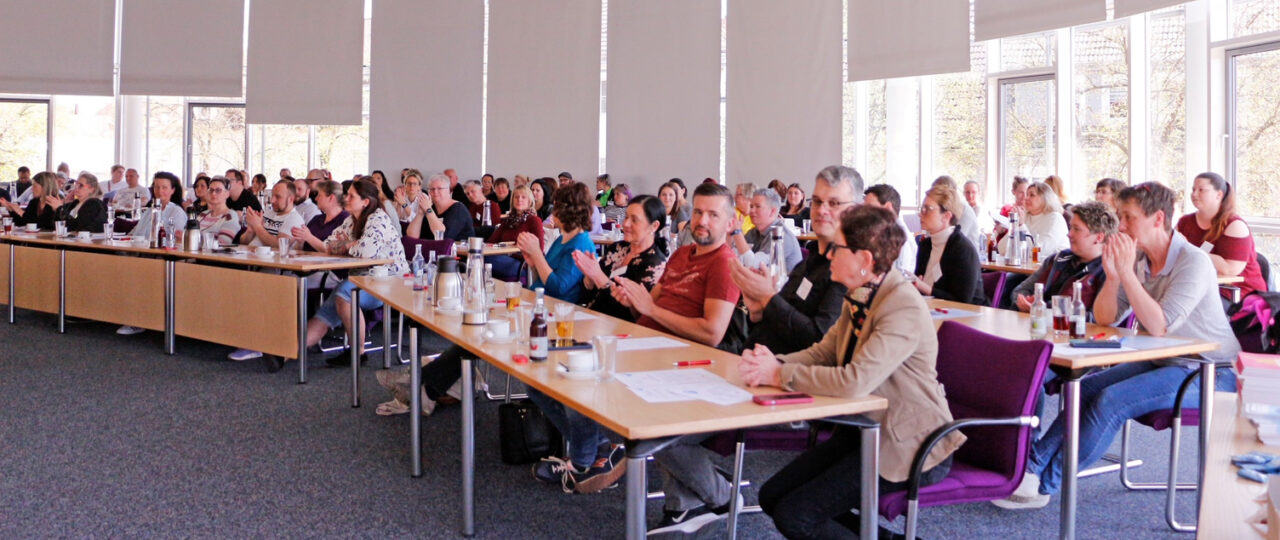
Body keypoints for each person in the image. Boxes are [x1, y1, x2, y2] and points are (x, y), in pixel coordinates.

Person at [996, 182, 1240, 510]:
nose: (1121, 226)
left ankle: (1045, 483)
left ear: (1157, 219)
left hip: (1210, 369)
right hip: (1165, 359)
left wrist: (1126, 273)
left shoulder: (1192, 261)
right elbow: (1106, 317)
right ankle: (1031, 469)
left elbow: (1159, 325)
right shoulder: (1138, 257)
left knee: (1110, 401)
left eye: (1128, 217)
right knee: (1083, 389)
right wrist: (1113, 279)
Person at [741, 204, 965, 539]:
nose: (829, 255)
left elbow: (854, 381)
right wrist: (776, 363)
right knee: (772, 497)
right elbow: (826, 352)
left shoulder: (900, 305)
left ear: (864, 259)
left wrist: (777, 375)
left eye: (838, 248)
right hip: (865, 429)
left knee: (796, 516)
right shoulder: (861, 293)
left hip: (909, 443)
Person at [732, 166, 855, 356]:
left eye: (834, 203)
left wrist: (768, 299)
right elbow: (780, 316)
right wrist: (758, 310)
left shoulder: (848, 272)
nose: (822, 210)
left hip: (789, 373)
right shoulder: (806, 265)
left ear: (853, 211)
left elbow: (818, 339)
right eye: (817, 201)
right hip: (752, 360)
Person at [289, 178, 409, 373]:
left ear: (365, 202)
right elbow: (329, 245)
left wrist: (346, 246)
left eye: (351, 195)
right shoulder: (350, 220)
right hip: (361, 279)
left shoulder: (378, 219)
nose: (345, 198)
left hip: (389, 282)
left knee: (345, 292)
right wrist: (350, 245)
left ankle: (359, 352)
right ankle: (286, 353)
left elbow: (367, 251)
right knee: (326, 312)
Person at [612, 182, 741, 348]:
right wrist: (634, 303)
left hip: (673, 354)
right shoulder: (681, 253)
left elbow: (712, 334)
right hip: (642, 339)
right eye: (698, 212)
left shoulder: (724, 263)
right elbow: (647, 310)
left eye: (713, 215)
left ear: (730, 224)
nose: (702, 221)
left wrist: (651, 309)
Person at [572, 195, 669, 321]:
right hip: (591, 320)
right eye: (626, 217)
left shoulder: (654, 265)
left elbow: (634, 316)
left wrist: (598, 277)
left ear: (654, 226)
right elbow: (588, 297)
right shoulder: (617, 248)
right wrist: (589, 279)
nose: (626, 224)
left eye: (634, 220)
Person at [1011, 201, 1117, 313]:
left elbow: (1097, 319)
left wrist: (1044, 310)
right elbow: (1020, 290)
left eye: (1076, 229)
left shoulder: (1109, 272)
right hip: (1033, 324)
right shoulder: (1058, 259)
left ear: (1099, 237)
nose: (1069, 234)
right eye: (1070, 227)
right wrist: (1023, 301)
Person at [1176, 172, 1266, 301]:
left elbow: (1230, 270)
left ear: (1219, 195)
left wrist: (1188, 249)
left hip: (1238, 295)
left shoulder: (1234, 225)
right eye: (1193, 189)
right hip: (1197, 288)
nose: (1194, 194)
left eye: (1201, 190)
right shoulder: (1185, 222)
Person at [520, 181, 596, 303]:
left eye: (556, 207)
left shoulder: (580, 244)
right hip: (539, 300)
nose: (553, 212)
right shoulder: (563, 238)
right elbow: (543, 279)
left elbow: (559, 288)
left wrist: (537, 255)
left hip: (557, 308)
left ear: (566, 211)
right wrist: (534, 264)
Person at [912, 185, 986, 305]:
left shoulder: (963, 249)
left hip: (966, 317)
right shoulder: (925, 245)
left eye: (928, 209)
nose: (921, 214)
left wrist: (924, 288)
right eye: (922, 209)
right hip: (931, 310)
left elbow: (962, 300)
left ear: (946, 216)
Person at [730, 189, 802, 273]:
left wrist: (737, 232)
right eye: (751, 206)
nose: (752, 210)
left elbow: (753, 265)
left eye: (758, 206)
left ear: (772, 211)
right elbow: (733, 256)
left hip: (782, 285)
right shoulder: (753, 232)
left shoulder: (781, 235)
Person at [485, 185, 543, 281]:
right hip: (504, 258)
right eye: (516, 197)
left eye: (523, 197)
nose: (519, 199)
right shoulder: (508, 220)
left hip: (524, 264)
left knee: (487, 260)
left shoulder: (534, 220)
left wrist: (511, 250)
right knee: (481, 258)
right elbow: (491, 242)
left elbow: (539, 248)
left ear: (529, 201)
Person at [999, 182, 1069, 259]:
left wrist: (1021, 225)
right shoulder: (1026, 217)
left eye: (1032, 195)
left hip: (1051, 268)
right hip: (1025, 268)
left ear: (1045, 198)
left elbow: (1038, 252)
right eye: (1027, 195)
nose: (1026, 198)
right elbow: (1001, 249)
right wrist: (1014, 226)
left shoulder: (1055, 218)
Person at [863, 184, 916, 275]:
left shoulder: (903, 240)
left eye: (870, 208)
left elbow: (899, 277)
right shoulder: (882, 232)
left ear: (888, 208)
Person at [406, 173, 474, 241]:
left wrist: (428, 210)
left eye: (439, 188)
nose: (435, 192)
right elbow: (412, 236)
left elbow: (443, 236)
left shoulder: (458, 209)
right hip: (431, 249)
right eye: (432, 189)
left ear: (448, 190)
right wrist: (420, 214)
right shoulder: (430, 208)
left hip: (458, 250)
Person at [239, 181, 304, 249]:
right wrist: (251, 230)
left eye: (278, 197)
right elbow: (242, 243)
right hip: (248, 256)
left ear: (291, 199)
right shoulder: (268, 213)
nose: (272, 200)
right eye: (272, 196)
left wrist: (257, 227)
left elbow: (280, 245)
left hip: (268, 259)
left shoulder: (294, 219)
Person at [131, 172, 188, 242]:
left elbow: (178, 239)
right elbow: (133, 234)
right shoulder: (148, 211)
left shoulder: (177, 212)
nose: (160, 191)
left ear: (172, 190)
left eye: (164, 188)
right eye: (157, 187)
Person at [932, 175, 981, 248]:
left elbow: (956, 240)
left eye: (938, 194)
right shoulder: (943, 209)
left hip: (965, 256)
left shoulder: (964, 210)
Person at [197, 177, 242, 247]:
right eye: (211, 190)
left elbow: (222, 243)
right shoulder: (202, 214)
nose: (213, 193)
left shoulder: (230, 216)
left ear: (227, 194)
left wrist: (195, 240)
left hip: (213, 256)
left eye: (218, 190)